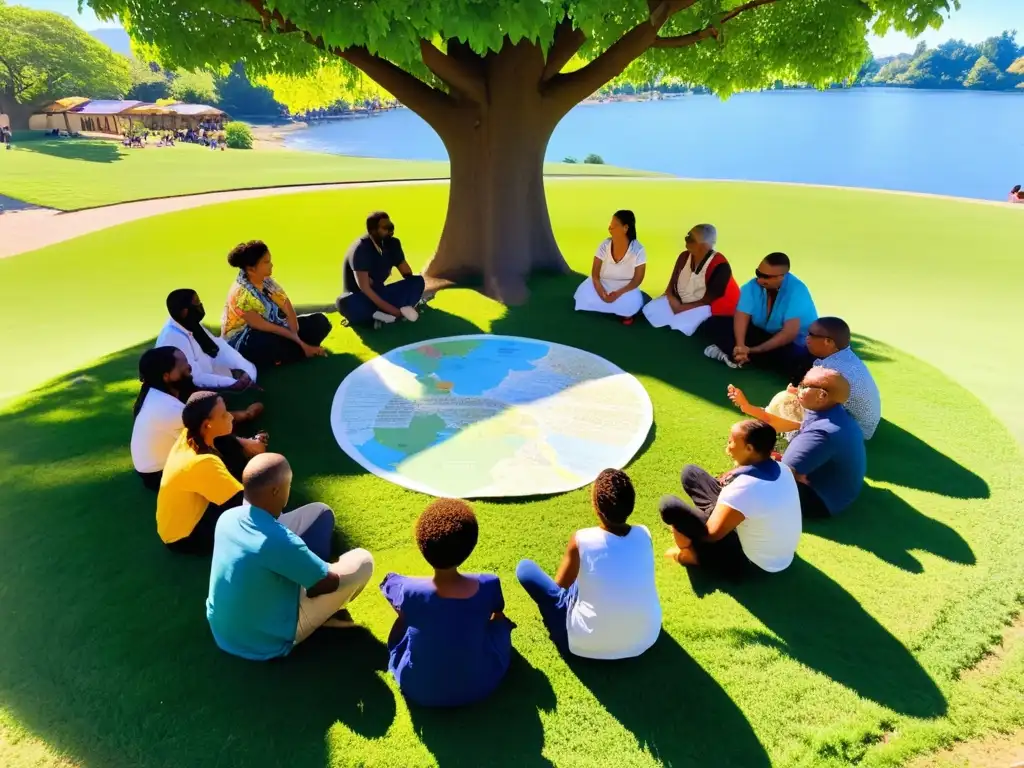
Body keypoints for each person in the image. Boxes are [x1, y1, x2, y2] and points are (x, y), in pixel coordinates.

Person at [206, 453, 375, 660]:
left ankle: (303, 571)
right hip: (266, 640)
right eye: (288, 485)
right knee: (363, 561)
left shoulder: (227, 517)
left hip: (224, 629)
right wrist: (318, 570)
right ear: (276, 490)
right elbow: (326, 584)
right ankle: (321, 614)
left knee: (321, 512)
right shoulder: (280, 542)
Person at [381, 498, 514, 707]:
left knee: (406, 625)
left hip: (419, 688)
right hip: (481, 684)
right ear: (471, 545)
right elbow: (497, 613)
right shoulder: (489, 584)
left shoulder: (410, 591)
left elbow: (390, 586)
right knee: (501, 623)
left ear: (422, 545)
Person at [516, 469, 661, 659]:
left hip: (584, 643)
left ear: (595, 506)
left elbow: (560, 586)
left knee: (525, 569)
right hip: (647, 635)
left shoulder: (582, 540)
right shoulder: (644, 534)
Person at [659, 420, 802, 581]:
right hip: (778, 552)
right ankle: (716, 518)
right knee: (691, 473)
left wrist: (684, 532)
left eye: (732, 441)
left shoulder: (744, 488)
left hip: (751, 565)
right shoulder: (783, 468)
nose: (728, 446)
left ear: (749, 448)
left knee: (670, 506)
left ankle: (691, 554)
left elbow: (711, 536)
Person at [726, 317, 882, 441]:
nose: (807, 338)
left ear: (828, 341)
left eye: (812, 335)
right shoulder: (843, 356)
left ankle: (777, 432)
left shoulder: (831, 372)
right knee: (788, 397)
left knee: (786, 403)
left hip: (852, 431)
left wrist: (750, 408)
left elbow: (816, 408)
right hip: (860, 424)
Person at [131, 348, 265, 491]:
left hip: (160, 466)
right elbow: (214, 426)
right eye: (183, 365)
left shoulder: (159, 392)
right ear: (167, 376)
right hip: (159, 475)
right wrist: (249, 435)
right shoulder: (167, 408)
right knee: (223, 444)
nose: (189, 368)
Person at [156, 391, 258, 554]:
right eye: (224, 415)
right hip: (186, 536)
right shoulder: (203, 462)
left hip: (173, 525)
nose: (231, 417)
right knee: (253, 517)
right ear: (207, 425)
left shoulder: (189, 434)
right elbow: (246, 505)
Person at [702, 252, 817, 379]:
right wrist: (740, 345)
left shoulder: (797, 291)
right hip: (763, 334)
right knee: (714, 323)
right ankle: (740, 354)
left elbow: (788, 334)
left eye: (766, 277)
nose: (760, 279)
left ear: (781, 277)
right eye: (758, 273)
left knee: (796, 361)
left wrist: (752, 350)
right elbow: (741, 316)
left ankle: (736, 354)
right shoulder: (752, 286)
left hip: (793, 343)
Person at [220, 240, 331, 368]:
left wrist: (295, 330)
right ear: (251, 268)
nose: (271, 265)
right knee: (265, 343)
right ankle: (295, 353)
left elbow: (287, 306)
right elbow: (265, 327)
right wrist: (302, 344)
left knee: (320, 322)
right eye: (266, 262)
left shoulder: (266, 280)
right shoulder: (241, 295)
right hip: (246, 340)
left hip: (277, 329)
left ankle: (287, 354)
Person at [781, 368, 867, 518]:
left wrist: (792, 472)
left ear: (822, 395)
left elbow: (784, 471)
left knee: (752, 477)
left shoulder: (823, 432)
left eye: (803, 386)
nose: (798, 389)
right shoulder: (836, 415)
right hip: (839, 492)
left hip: (821, 500)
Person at [643, 223, 739, 335]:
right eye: (687, 236)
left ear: (703, 246)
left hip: (705, 307)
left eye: (690, 238)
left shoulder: (720, 265)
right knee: (650, 310)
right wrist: (671, 298)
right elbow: (671, 285)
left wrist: (682, 308)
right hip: (680, 301)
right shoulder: (684, 256)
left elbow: (709, 300)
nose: (686, 239)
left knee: (678, 325)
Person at [336, 212, 425, 327]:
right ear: (372, 230)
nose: (390, 230)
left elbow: (407, 273)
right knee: (345, 303)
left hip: (381, 292)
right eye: (385, 228)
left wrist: (397, 255)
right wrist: (394, 311)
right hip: (361, 297)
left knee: (417, 281)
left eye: (391, 226)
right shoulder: (361, 249)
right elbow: (365, 288)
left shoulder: (393, 244)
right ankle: (386, 314)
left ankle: (380, 316)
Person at [158, 289, 258, 391]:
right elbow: (195, 378)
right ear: (185, 312)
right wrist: (233, 383)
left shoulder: (190, 323)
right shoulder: (174, 339)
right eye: (197, 303)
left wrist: (248, 371)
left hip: (208, 372)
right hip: (190, 387)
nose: (200, 305)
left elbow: (218, 348)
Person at [573, 210, 647, 323]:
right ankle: (613, 307)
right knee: (583, 295)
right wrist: (601, 292)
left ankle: (623, 311)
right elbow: (595, 274)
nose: (610, 228)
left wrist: (618, 294)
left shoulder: (638, 249)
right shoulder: (604, 245)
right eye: (610, 224)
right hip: (603, 283)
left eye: (614, 225)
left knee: (630, 303)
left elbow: (637, 280)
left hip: (626, 287)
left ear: (625, 228)